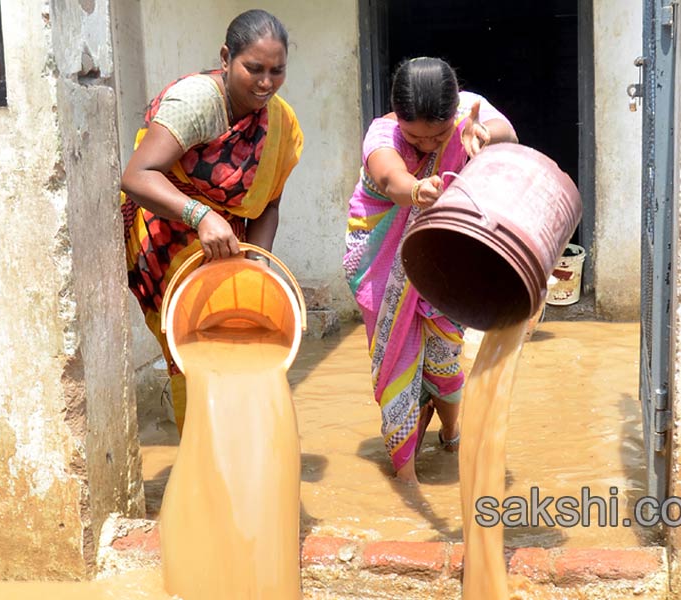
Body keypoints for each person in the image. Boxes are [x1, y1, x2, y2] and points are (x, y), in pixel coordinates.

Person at [120, 9, 303, 434]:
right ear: (226, 57)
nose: (265, 83)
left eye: (277, 71)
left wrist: (259, 266)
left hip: (225, 242)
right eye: (253, 68)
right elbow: (136, 176)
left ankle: (238, 452)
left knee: (240, 339)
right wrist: (200, 215)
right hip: (167, 236)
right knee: (191, 349)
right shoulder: (198, 102)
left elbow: (267, 206)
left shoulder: (279, 122)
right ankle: (202, 457)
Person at [343, 57, 518, 484]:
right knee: (398, 359)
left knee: (444, 354)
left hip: (443, 257)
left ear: (453, 112)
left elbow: (508, 135)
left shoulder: (469, 114)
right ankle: (405, 475)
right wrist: (416, 188)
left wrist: (484, 134)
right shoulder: (382, 135)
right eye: (415, 136)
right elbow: (389, 178)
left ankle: (452, 432)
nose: (425, 146)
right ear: (397, 118)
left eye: (438, 136)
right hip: (383, 259)